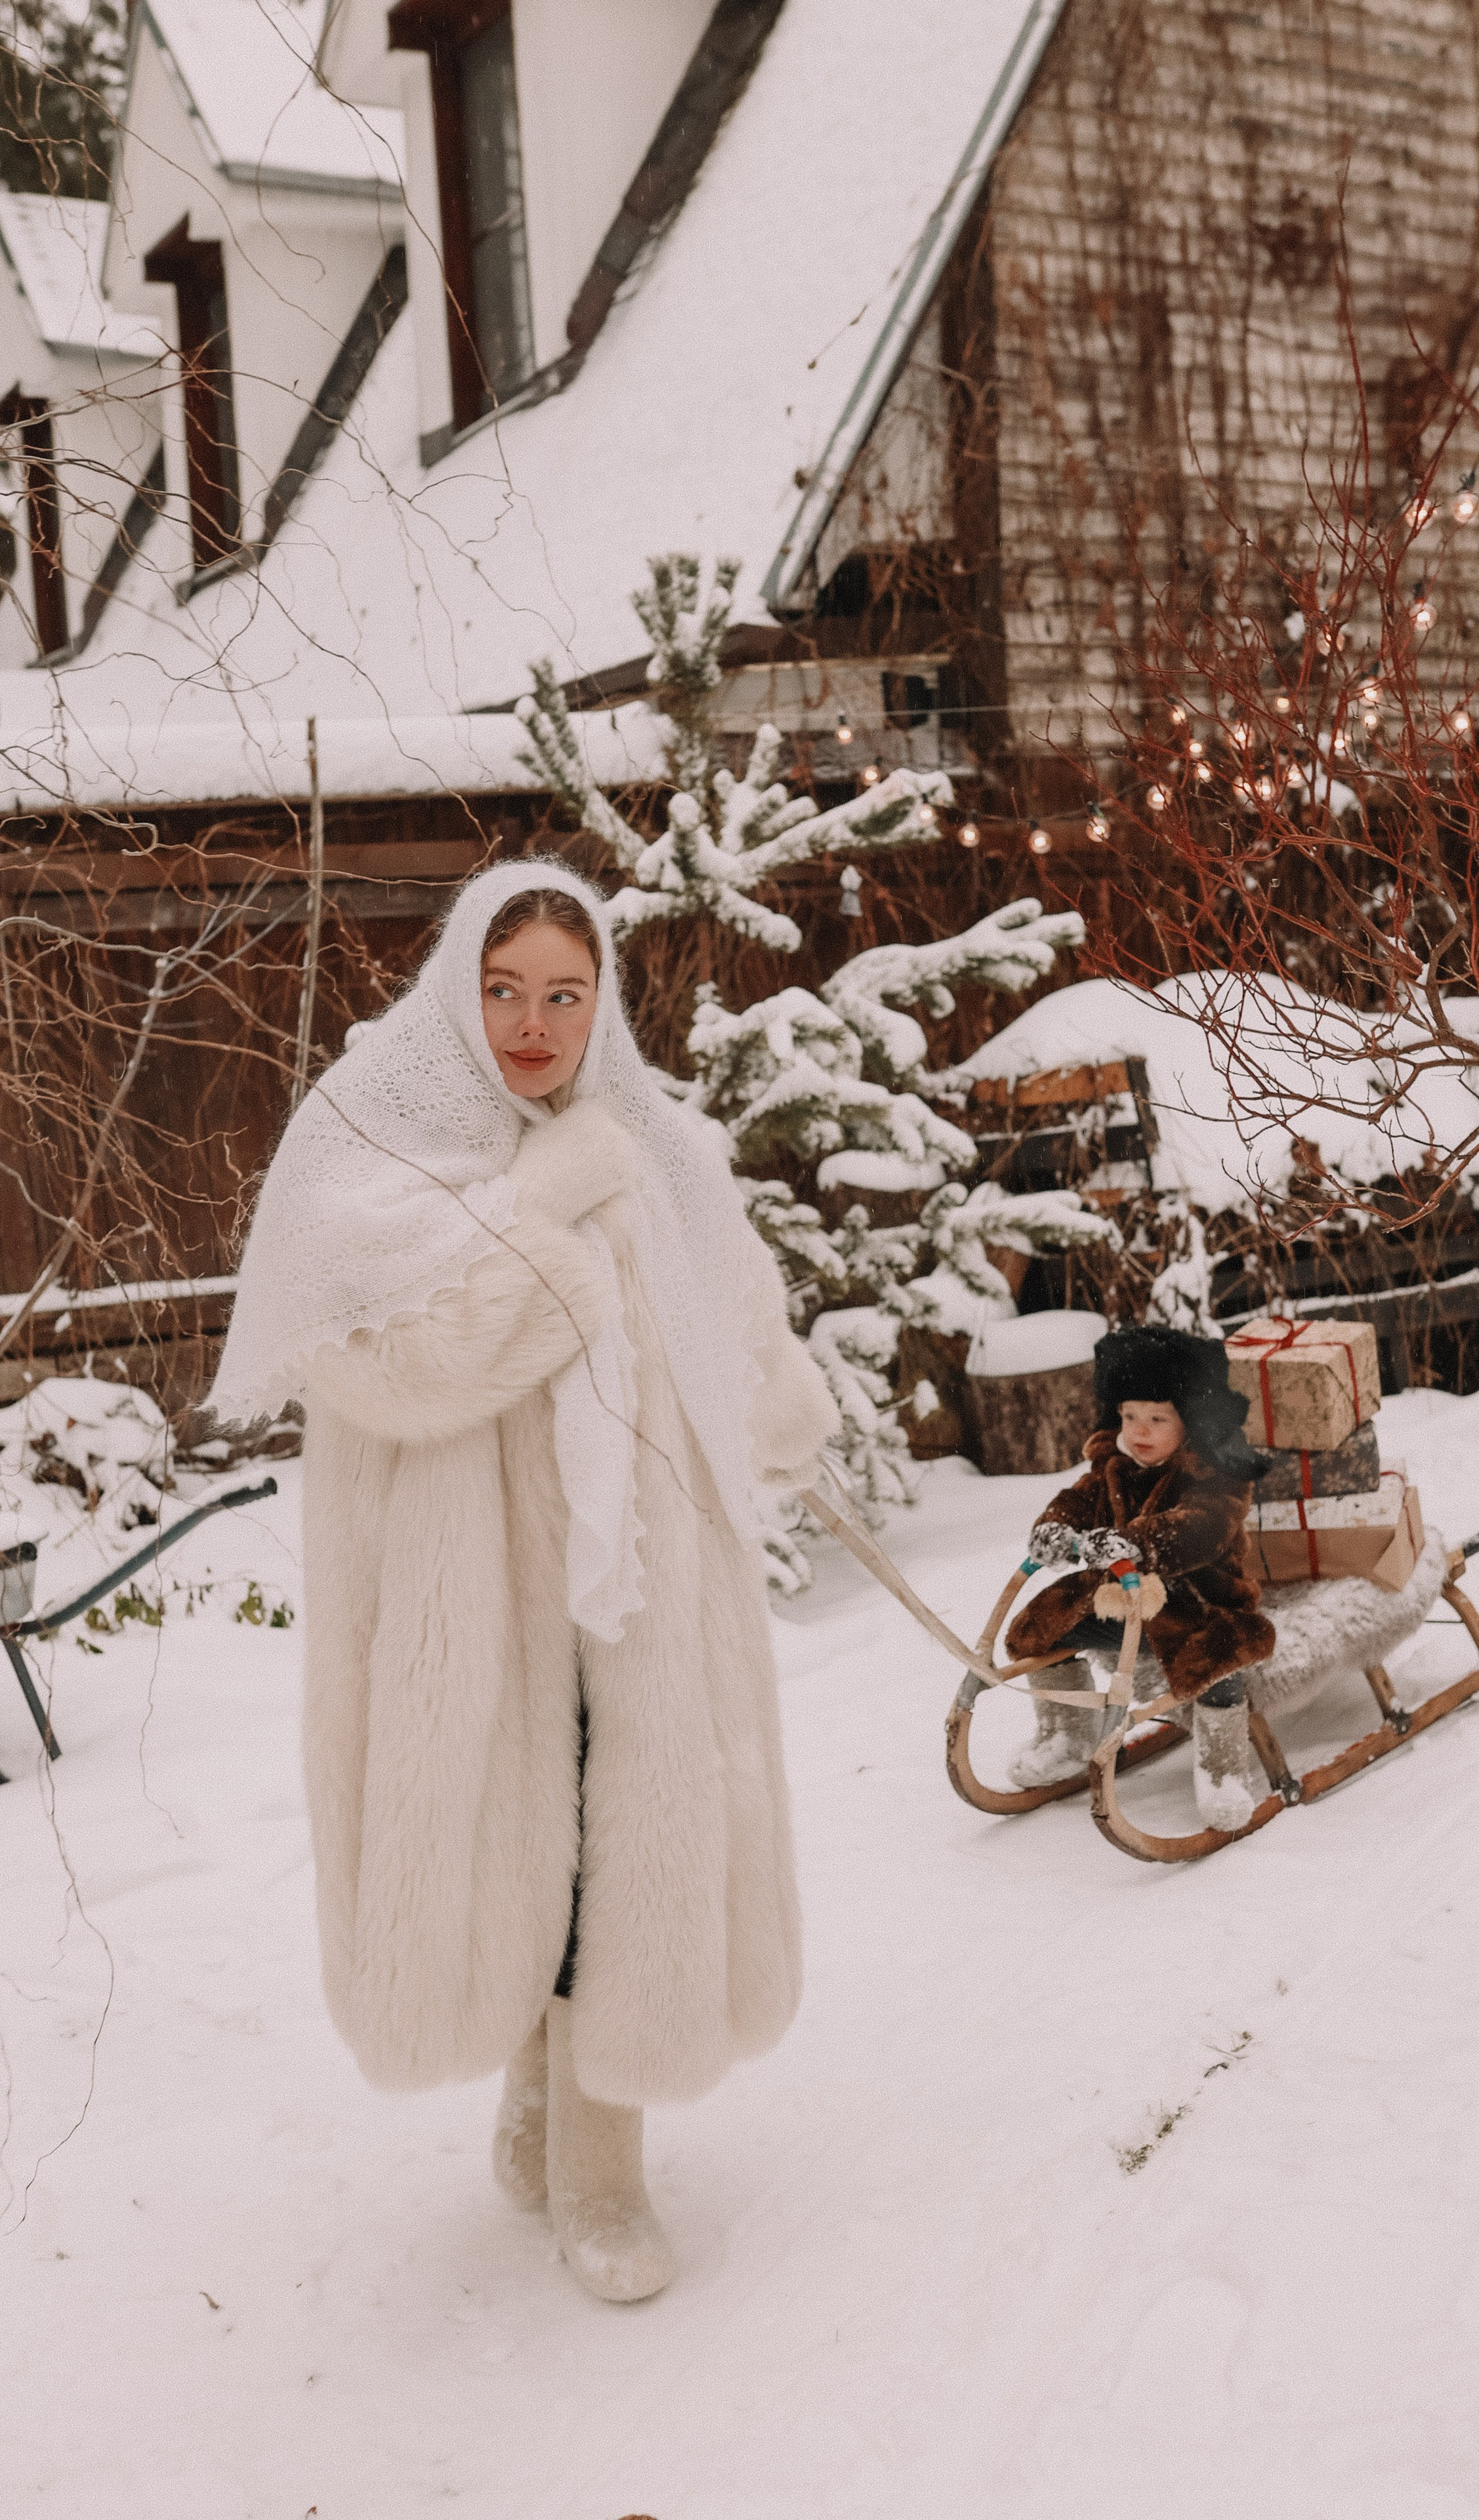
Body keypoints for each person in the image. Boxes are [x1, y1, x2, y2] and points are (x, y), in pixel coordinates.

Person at [210, 863, 838, 2303]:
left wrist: (771, 1401)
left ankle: (597, 2167)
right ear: (454, 989)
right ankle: (534, 2098)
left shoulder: (655, 1146)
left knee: (633, 1840)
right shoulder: (366, 1138)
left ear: (602, 997)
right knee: (511, 1842)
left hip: (635, 1580)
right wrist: (543, 1206)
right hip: (461, 1583)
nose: (534, 1026)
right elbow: (405, 1369)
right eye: (503, 993)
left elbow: (726, 1314)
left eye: (566, 994)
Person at [1002, 1324, 1276, 1830]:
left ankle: (1222, 1768)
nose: (1140, 1431)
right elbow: (1076, 1502)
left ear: (1190, 1421)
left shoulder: (1214, 1473)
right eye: (1130, 1416)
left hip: (1199, 1598)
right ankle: (1069, 1734)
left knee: (1218, 1655)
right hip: (1121, 1602)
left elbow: (1205, 1526)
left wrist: (1139, 1544)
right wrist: (1054, 1529)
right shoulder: (1113, 1465)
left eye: (1156, 1418)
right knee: (1038, 1626)